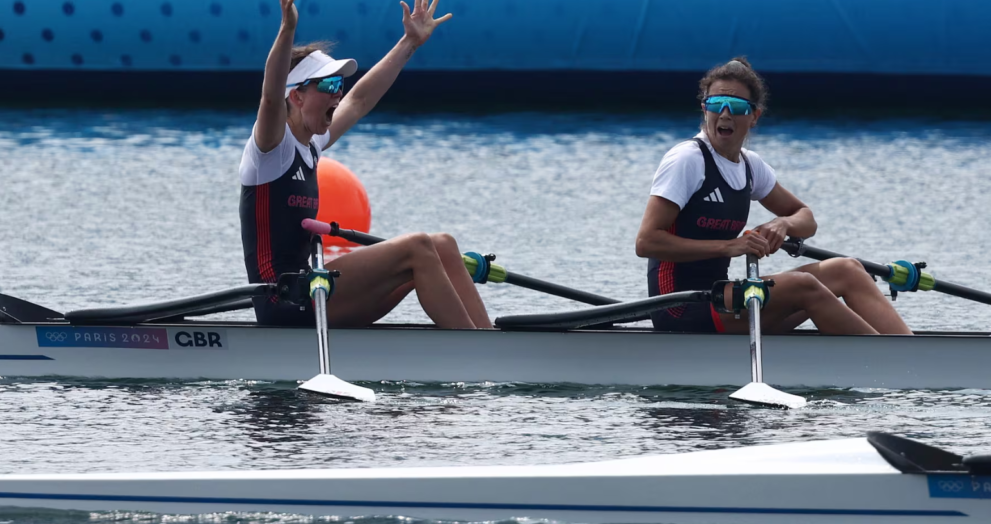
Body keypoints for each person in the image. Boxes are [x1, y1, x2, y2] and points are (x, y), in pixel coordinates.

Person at [239, 0, 491, 329]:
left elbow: (359, 100)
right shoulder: (271, 149)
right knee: (417, 247)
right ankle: (475, 350)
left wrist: (410, 42)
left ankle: (488, 339)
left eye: (339, 85)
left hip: (313, 290)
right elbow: (271, 97)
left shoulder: (312, 143)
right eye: (329, 85)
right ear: (297, 96)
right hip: (283, 301)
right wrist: (287, 29)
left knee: (442, 245)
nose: (338, 94)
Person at [635, 57, 912, 336]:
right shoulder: (687, 159)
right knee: (803, 285)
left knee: (847, 269)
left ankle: (908, 350)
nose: (725, 114)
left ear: (754, 116)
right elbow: (646, 242)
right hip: (679, 306)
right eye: (716, 104)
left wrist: (783, 224)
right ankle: (889, 358)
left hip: (721, 297)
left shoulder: (751, 166)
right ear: (705, 109)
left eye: (738, 106)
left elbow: (806, 219)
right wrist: (729, 246)